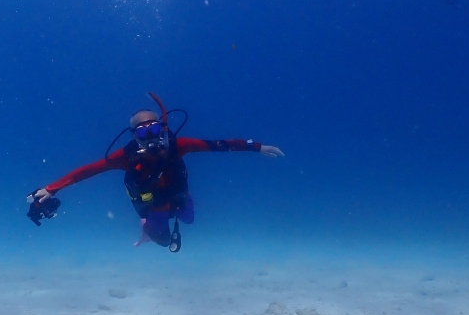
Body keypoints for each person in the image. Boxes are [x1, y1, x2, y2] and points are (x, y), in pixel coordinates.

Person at [27, 93, 284, 252]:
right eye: (142, 132)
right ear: (134, 136)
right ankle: (145, 228)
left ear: (162, 128)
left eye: (153, 130)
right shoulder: (125, 157)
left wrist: (256, 147)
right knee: (162, 241)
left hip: (179, 195)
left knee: (189, 220)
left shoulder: (178, 146)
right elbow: (88, 171)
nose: (149, 137)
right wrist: (51, 188)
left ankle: (154, 224)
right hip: (152, 206)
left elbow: (219, 144)